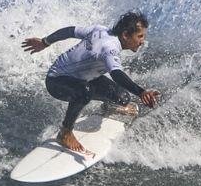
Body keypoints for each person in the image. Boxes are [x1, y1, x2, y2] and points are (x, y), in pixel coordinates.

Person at [21, 11, 160, 155]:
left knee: (123, 98)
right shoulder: (110, 48)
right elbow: (117, 74)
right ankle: (65, 132)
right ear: (125, 35)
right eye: (140, 36)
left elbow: (70, 31)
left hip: (85, 78)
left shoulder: (100, 29)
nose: (142, 41)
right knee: (84, 92)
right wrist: (141, 92)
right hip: (57, 80)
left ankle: (109, 105)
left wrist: (45, 42)